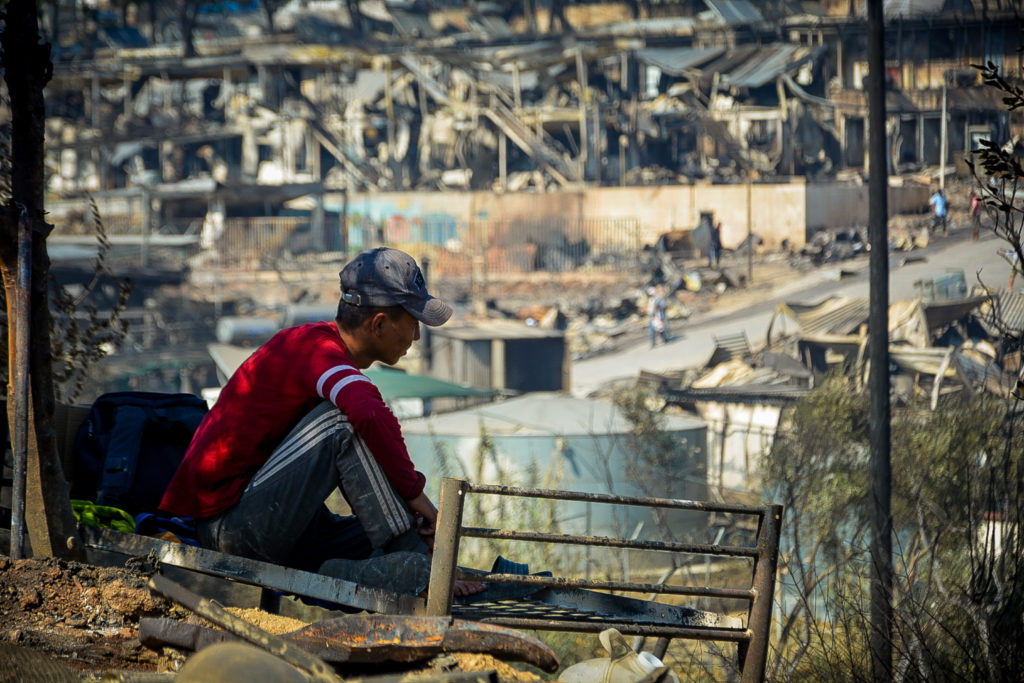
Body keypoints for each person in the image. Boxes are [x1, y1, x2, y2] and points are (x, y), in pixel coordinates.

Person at [160, 247, 485, 597]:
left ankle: (364, 568)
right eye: (413, 324)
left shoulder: (318, 347)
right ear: (378, 324)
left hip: (283, 524)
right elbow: (366, 411)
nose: (417, 337)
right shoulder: (313, 350)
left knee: (384, 529)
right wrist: (415, 495)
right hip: (231, 531)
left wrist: (412, 514)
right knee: (340, 422)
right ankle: (420, 568)